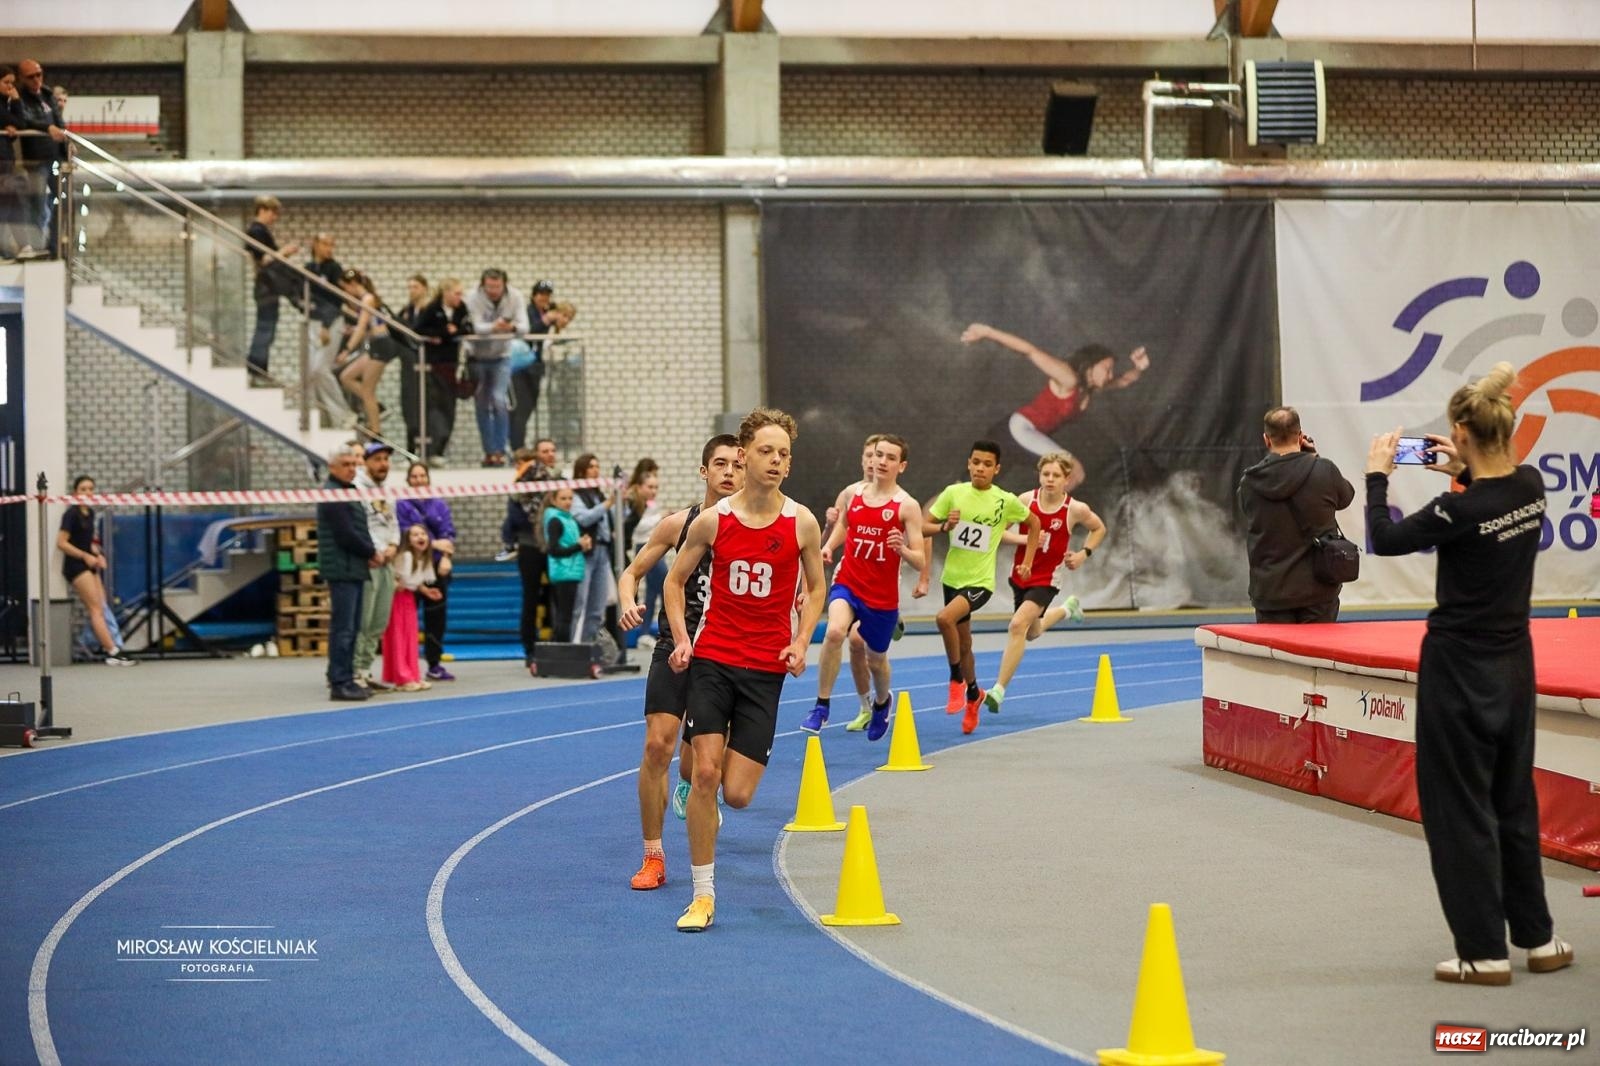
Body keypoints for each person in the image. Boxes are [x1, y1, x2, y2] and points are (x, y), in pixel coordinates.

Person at [1364, 363, 1573, 987]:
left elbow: (1385, 538)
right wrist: (1459, 472)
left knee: (1458, 812)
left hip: (1458, 671)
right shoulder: (1531, 487)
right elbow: (1491, 496)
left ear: (1459, 431)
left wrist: (1378, 476)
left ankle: (1482, 951)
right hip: (1514, 667)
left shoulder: (1453, 514)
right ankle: (1537, 940)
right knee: (1514, 801)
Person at [664, 407, 826, 932]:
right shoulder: (715, 520)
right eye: (766, 451)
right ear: (744, 454)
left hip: (765, 669)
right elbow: (674, 581)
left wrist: (802, 640)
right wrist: (684, 640)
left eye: (784, 454)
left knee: (738, 793)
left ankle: (714, 765)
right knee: (706, 775)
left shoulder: (800, 521)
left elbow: (817, 588)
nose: (776, 461)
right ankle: (703, 895)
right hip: (713, 659)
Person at [617, 434, 744, 891]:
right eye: (720, 464)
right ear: (704, 471)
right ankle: (653, 855)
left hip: (727, 652)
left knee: (701, 767)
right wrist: (627, 601)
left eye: (737, 465)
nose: (729, 472)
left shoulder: (755, 527)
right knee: (657, 746)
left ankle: (694, 789)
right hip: (675, 644)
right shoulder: (679, 523)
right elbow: (631, 572)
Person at [802, 434, 925, 740]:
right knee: (833, 632)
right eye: (877, 455)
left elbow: (921, 559)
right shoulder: (851, 494)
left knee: (876, 660)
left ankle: (882, 702)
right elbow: (845, 524)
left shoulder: (906, 506)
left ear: (902, 465)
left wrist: (903, 550)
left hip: (881, 598)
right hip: (849, 582)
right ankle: (821, 706)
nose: (881, 462)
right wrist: (829, 546)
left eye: (890, 457)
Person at [923, 439, 1039, 735]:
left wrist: (1027, 560)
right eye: (976, 462)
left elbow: (1035, 523)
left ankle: (956, 681)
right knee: (965, 645)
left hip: (980, 583)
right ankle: (974, 694)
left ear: (996, 469)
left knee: (943, 618)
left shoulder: (1004, 500)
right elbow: (922, 526)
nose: (980, 468)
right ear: (969, 464)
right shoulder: (953, 493)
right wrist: (943, 527)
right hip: (952, 579)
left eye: (987, 464)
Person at [960, 322, 1150, 493]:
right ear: (1091, 365)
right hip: (1020, 430)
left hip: (1016, 437)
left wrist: (1139, 368)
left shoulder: (1089, 388)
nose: (1110, 375)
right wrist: (988, 332)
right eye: (1106, 369)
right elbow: (1030, 351)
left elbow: (1124, 381)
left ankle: (1024, 525)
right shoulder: (1068, 378)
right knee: (1074, 471)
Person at [981, 453, 1099, 716]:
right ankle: (1067, 609)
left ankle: (998, 690)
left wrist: (1083, 553)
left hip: (1048, 579)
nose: (1050, 480)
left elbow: (1099, 528)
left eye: (1056, 476)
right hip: (1021, 575)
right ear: (1039, 476)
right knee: (1031, 632)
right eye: (1046, 474)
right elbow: (999, 532)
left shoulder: (1074, 509)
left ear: (1066, 480)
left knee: (1017, 625)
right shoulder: (1025, 501)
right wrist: (1028, 540)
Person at [1238, 406, 1356, 623]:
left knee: (1275, 657)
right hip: (1319, 590)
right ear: (1300, 436)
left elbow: (1247, 511)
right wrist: (1313, 457)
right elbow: (1347, 497)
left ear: (1266, 439)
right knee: (1316, 655)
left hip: (1270, 591)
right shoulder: (1324, 470)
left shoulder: (1250, 482)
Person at [316, 447, 378, 701]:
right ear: (332, 467)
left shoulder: (347, 491)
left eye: (355, 464)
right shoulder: (333, 495)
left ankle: (346, 677)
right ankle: (340, 681)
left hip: (353, 567)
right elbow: (346, 534)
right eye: (346, 464)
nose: (352, 468)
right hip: (342, 568)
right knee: (343, 629)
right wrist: (371, 552)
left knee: (351, 628)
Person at [56, 476, 134, 666]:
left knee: (102, 605)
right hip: (75, 566)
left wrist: (96, 553)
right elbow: (62, 543)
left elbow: (86, 541)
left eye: (91, 489)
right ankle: (112, 651)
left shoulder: (89, 513)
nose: (88, 492)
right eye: (83, 489)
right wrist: (84, 556)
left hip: (89, 564)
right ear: (75, 492)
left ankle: (92, 643)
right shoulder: (71, 514)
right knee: (96, 609)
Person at [395, 461, 457, 682]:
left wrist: (446, 558)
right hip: (411, 569)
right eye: (414, 476)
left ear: (428, 479)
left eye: (423, 476)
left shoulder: (439, 505)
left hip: (436, 569)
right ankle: (405, 665)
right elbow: (405, 536)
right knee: (406, 619)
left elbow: (448, 535)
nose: (419, 480)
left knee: (437, 618)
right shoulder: (401, 505)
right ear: (408, 480)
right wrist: (433, 543)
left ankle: (434, 663)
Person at [464, 268, 528, 467]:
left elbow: (525, 327)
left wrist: (511, 328)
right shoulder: (472, 297)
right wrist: (494, 327)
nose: (493, 291)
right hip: (477, 356)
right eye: (489, 287)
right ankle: (489, 451)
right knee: (482, 404)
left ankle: (501, 449)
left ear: (504, 285)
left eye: (497, 287)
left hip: (502, 356)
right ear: (483, 285)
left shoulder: (516, 296)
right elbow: (474, 327)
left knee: (499, 400)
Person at [351, 442, 400, 691]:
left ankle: (366, 669)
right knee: (363, 620)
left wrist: (393, 545)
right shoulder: (357, 488)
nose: (383, 464)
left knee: (379, 621)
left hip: (387, 561)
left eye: (386, 459)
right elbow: (359, 526)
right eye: (378, 459)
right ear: (367, 462)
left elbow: (394, 524)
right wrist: (372, 551)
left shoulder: (388, 490)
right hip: (368, 561)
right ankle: (354, 671)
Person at [413, 278, 472, 462]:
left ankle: (442, 447)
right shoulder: (432, 309)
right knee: (435, 405)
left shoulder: (461, 309)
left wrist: (454, 331)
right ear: (445, 293)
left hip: (451, 362)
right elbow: (419, 330)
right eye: (456, 293)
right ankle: (432, 448)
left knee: (449, 405)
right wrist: (440, 334)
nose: (459, 297)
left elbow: (468, 328)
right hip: (434, 363)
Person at [243, 196, 300, 381]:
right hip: (266, 287)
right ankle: (256, 368)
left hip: (266, 287)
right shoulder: (257, 231)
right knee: (265, 328)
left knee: (267, 329)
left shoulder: (259, 231)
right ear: (263, 210)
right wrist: (285, 251)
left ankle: (259, 369)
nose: (274, 217)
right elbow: (265, 260)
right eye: (273, 213)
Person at [381, 524, 440, 692]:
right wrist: (395, 584)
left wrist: (426, 591)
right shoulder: (405, 556)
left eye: (423, 534)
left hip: (408, 598)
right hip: (398, 599)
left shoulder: (422, 558)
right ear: (407, 540)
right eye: (415, 535)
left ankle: (412, 674)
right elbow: (397, 577)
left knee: (409, 638)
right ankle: (402, 677)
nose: (420, 537)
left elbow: (415, 581)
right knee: (399, 638)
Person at [510, 279, 555, 452]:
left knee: (529, 407)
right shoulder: (528, 312)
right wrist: (545, 321)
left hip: (536, 368)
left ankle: (519, 444)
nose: (544, 298)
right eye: (541, 294)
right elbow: (527, 331)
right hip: (522, 367)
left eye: (547, 295)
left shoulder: (546, 312)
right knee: (521, 408)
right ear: (534, 295)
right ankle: (517, 447)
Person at [541, 486, 590, 642]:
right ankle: (561, 652)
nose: (568, 502)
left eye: (570, 498)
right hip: (564, 572)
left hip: (570, 571)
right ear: (554, 500)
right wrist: (579, 546)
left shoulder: (568, 519)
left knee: (564, 616)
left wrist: (582, 545)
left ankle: (560, 651)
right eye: (563, 498)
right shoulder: (556, 520)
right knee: (564, 617)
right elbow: (553, 549)